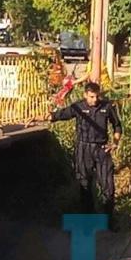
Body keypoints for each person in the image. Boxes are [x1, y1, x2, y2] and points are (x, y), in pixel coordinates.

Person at [45, 82, 123, 219]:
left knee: (108, 186)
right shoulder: (78, 107)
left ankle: (109, 219)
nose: (95, 100)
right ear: (85, 95)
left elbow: (117, 126)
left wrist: (115, 143)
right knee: (84, 184)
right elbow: (60, 115)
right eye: (92, 97)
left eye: (97, 96)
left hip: (102, 149)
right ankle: (88, 217)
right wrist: (44, 116)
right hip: (83, 148)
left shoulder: (107, 106)